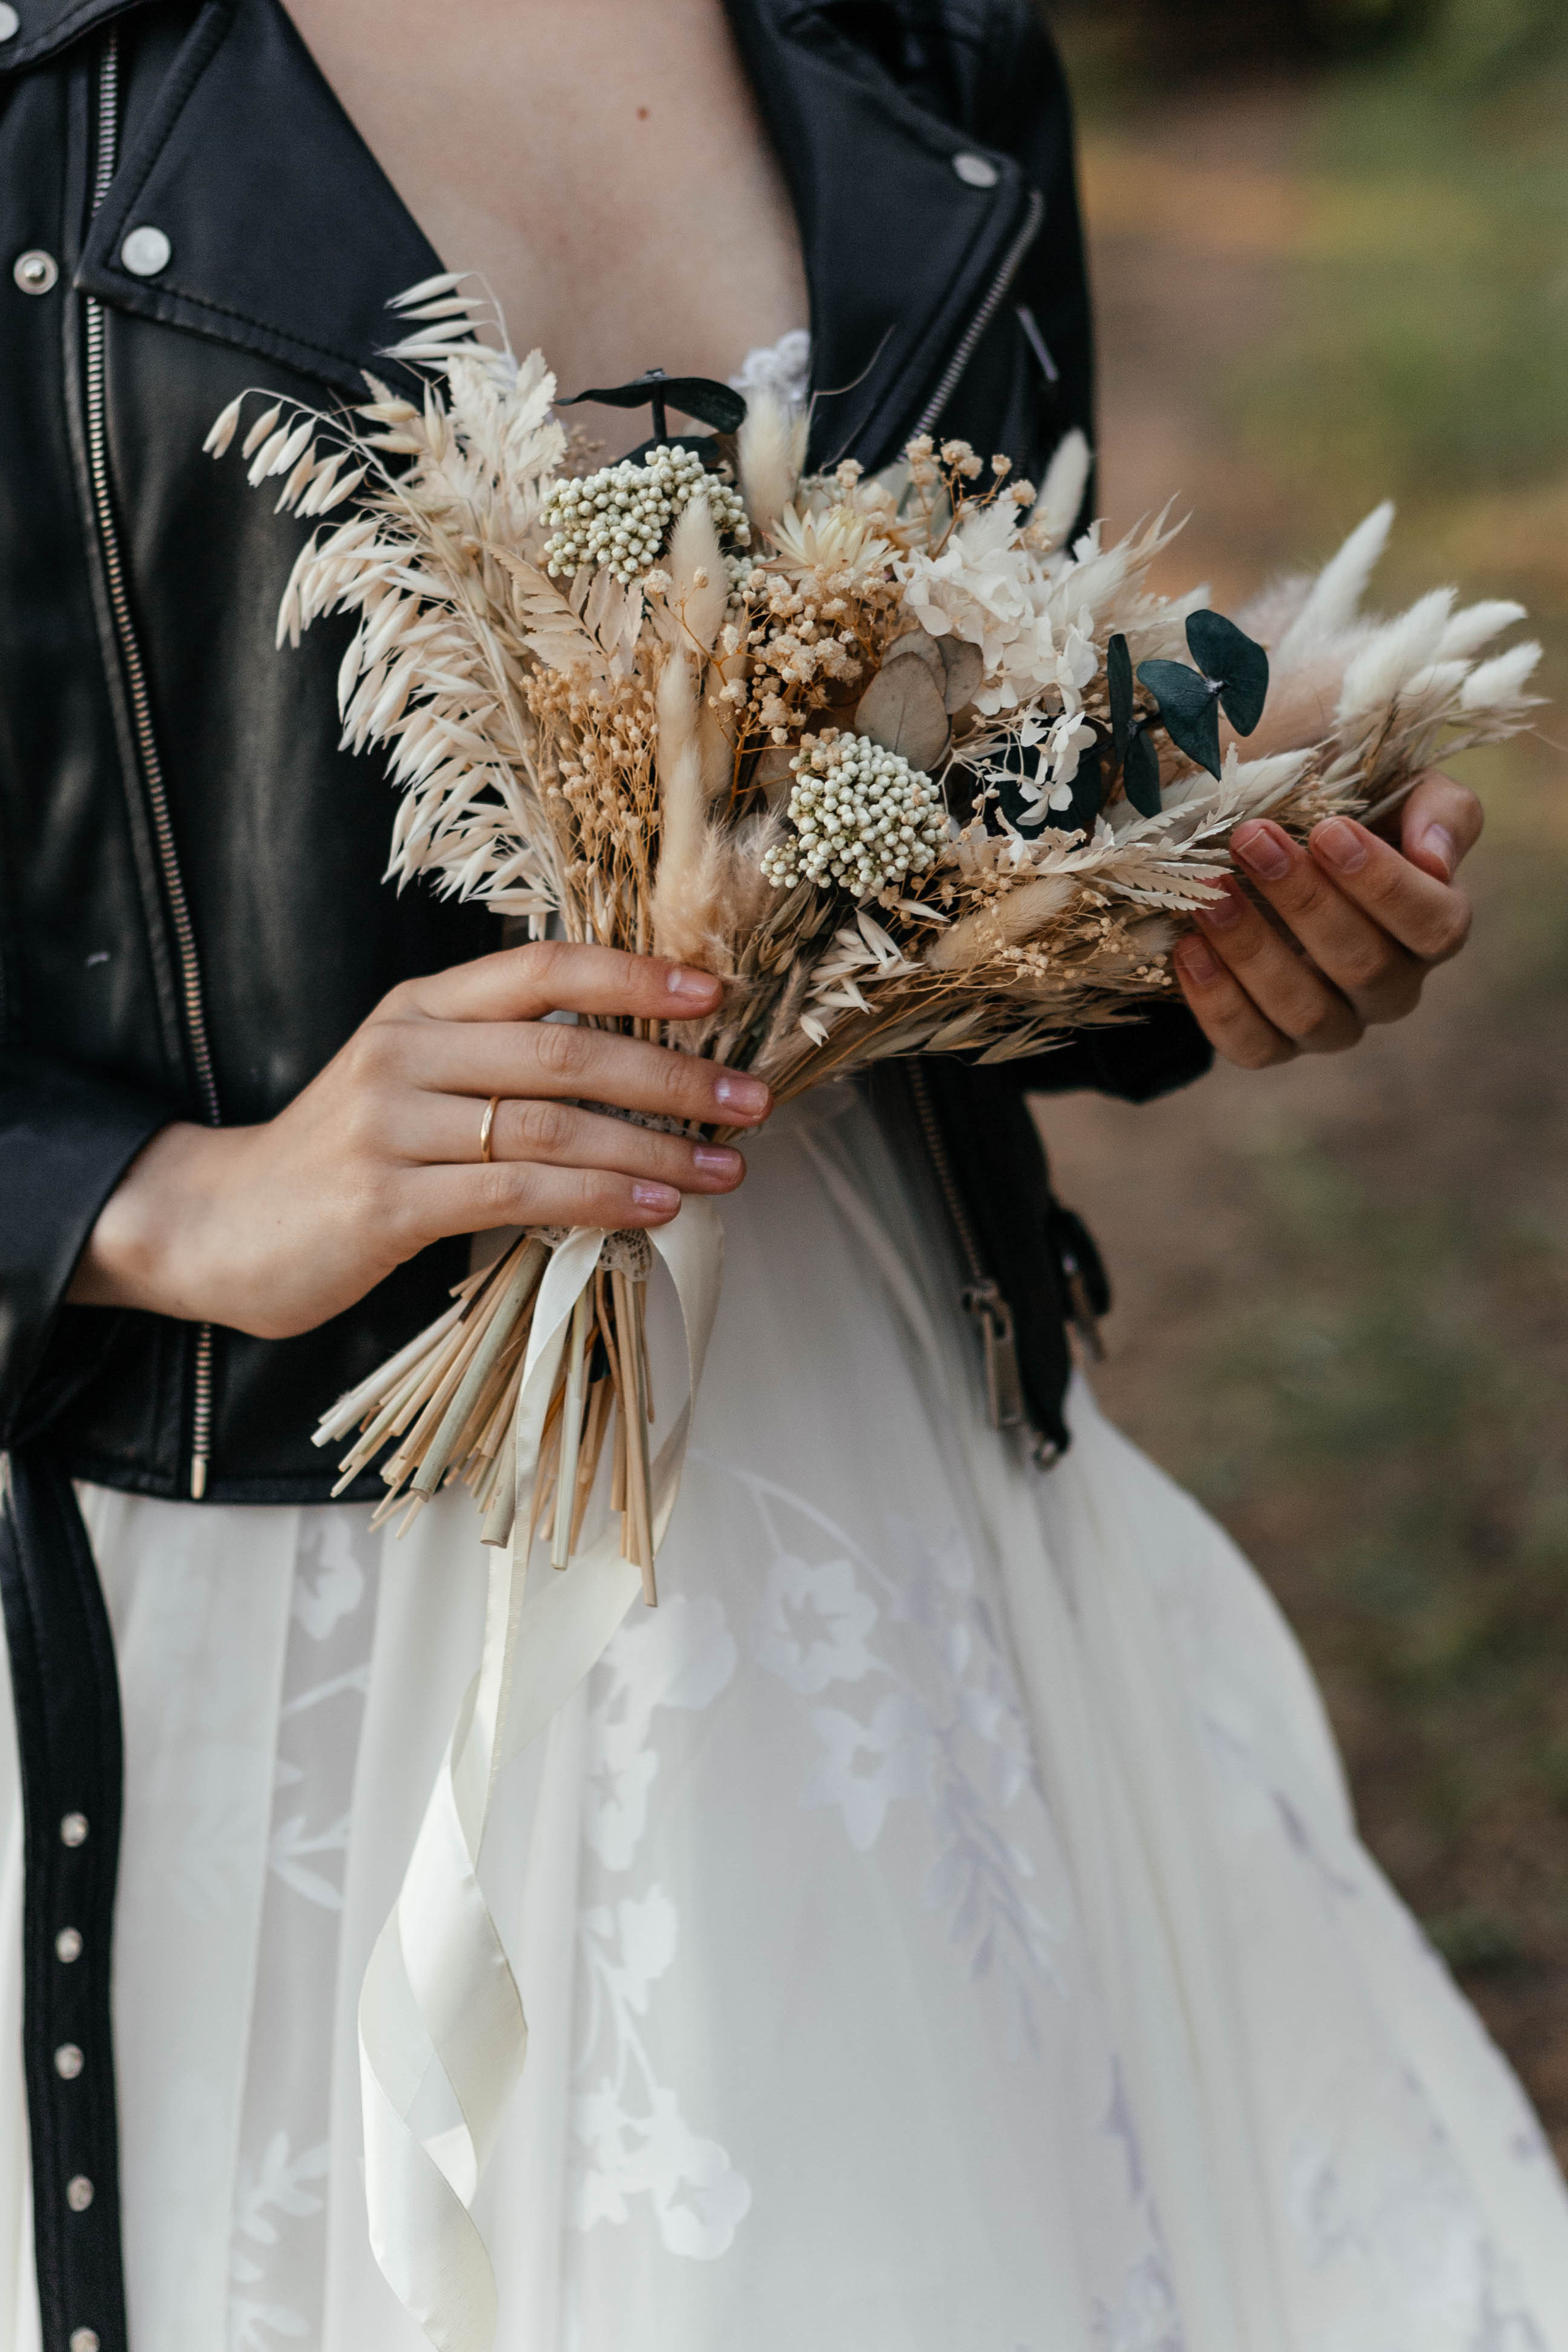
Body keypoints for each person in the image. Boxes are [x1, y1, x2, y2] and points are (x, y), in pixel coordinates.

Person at [0, 0, 1562, 2346]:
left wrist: (1196, 930)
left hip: (904, 1544)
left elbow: (930, 780)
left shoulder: (920, 38)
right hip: (274, 1583)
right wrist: (167, 1202)